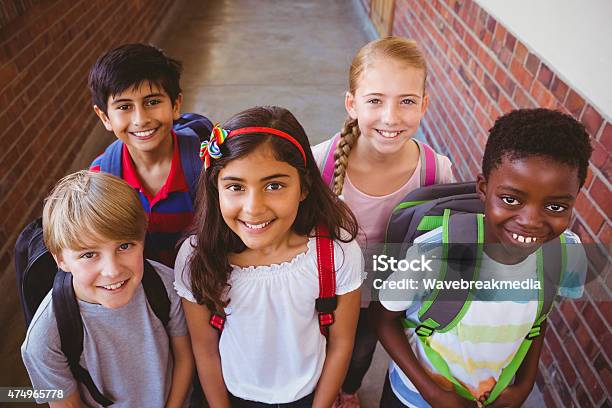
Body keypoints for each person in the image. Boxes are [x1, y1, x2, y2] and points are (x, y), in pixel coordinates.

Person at [373, 108, 592, 407]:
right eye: (511, 199)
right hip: (413, 397)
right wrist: (432, 392)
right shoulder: (436, 253)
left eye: (555, 207)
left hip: (493, 396)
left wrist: (523, 386)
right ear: (483, 188)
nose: (530, 221)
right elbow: (384, 320)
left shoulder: (565, 255)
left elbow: (537, 320)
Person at [174, 106, 364, 407]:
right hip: (233, 395)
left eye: (274, 185)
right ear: (216, 188)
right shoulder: (197, 256)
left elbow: (341, 344)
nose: (253, 208)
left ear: (304, 187)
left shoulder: (337, 254)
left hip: (311, 395)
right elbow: (205, 349)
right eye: (235, 187)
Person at [311, 36, 454, 407]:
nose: (391, 117)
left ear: (424, 105)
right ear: (352, 104)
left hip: (381, 297)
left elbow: (439, 243)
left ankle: (348, 390)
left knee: (360, 352)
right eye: (375, 100)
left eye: (407, 101)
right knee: (315, 350)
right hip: (321, 291)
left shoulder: (436, 171)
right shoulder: (318, 163)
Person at [21, 171, 193, 407]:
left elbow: (184, 358)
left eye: (124, 246)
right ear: (60, 259)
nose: (112, 271)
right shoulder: (45, 338)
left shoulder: (165, 285)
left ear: (142, 239)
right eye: (89, 254)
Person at [88, 43, 208, 267]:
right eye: (124, 107)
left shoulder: (207, 163)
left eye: (152, 102)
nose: (140, 119)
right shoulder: (101, 179)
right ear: (104, 117)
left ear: (175, 105)